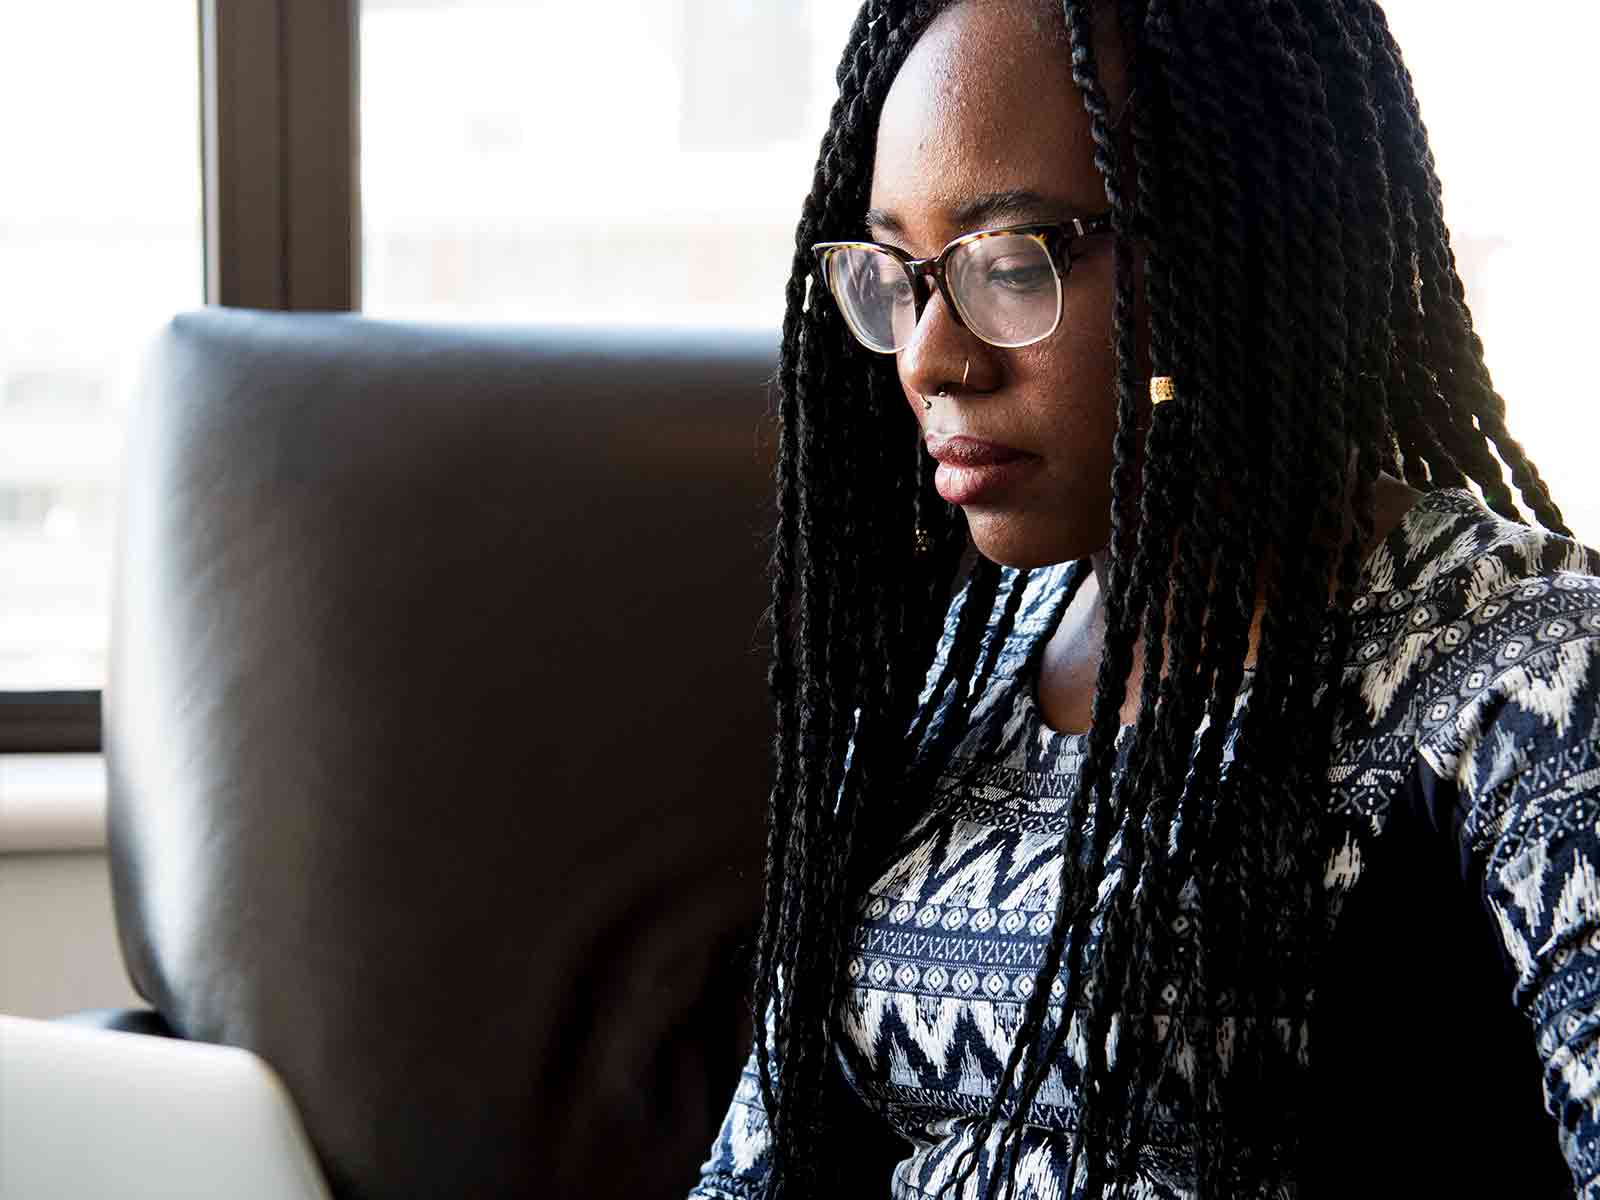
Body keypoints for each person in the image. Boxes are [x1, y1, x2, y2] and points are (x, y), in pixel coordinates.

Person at [688, 1, 1600, 1197]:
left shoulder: (1530, 672)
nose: (925, 357)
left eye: (1009, 262)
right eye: (898, 275)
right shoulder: (960, 659)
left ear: (1238, 243)